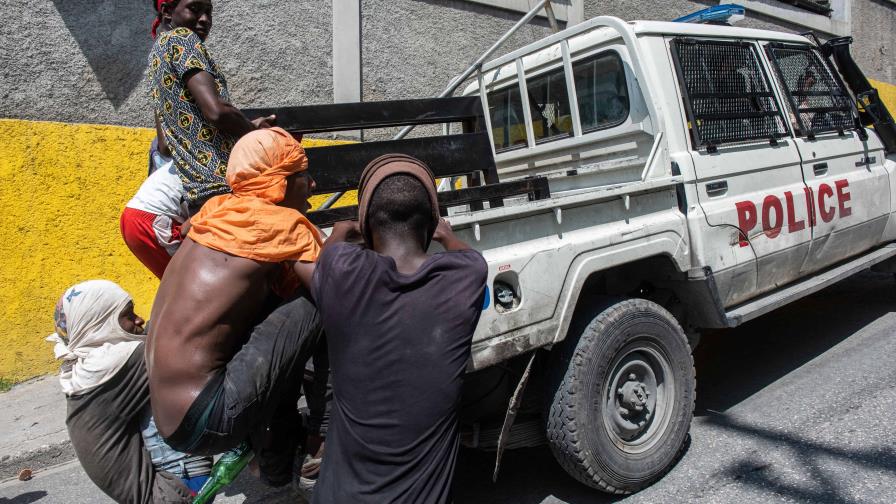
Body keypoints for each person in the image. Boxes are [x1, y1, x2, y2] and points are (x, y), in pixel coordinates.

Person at [146, 127, 327, 487]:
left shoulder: (216, 213)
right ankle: (323, 440)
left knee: (277, 315)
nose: (314, 185)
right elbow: (340, 291)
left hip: (171, 419)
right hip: (209, 417)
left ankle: (275, 464)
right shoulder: (278, 224)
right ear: (278, 183)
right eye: (303, 175)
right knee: (319, 306)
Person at [311, 154, 488, 503]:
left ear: (368, 224)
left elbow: (327, 256)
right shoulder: (464, 277)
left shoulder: (341, 271)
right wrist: (448, 236)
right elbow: (471, 258)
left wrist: (343, 230)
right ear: (431, 223)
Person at [46, 280, 213, 503]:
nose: (138, 320)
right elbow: (183, 340)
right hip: (173, 491)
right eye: (127, 315)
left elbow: (159, 327)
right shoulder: (113, 363)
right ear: (100, 323)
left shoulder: (87, 367)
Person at [148, 0, 275, 213]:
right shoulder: (183, 39)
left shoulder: (157, 53)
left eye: (208, 12)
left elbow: (165, 146)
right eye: (195, 9)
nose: (205, 19)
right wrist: (255, 132)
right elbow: (216, 112)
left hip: (198, 193)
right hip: (224, 184)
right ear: (168, 11)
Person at [120, 139, 190, 279]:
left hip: (136, 216)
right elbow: (202, 215)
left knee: (175, 285)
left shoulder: (197, 157)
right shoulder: (219, 170)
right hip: (152, 221)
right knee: (184, 282)